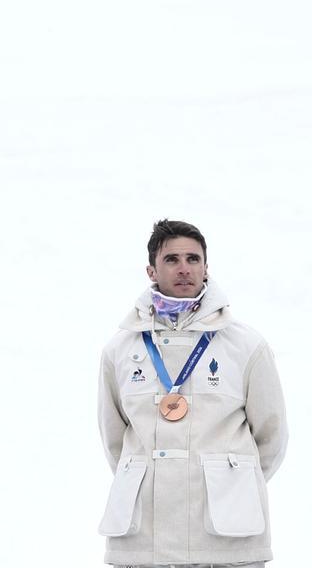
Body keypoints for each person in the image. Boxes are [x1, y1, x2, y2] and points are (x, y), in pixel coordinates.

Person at [98, 220, 287, 568]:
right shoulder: (120, 350)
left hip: (226, 540)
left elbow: (271, 438)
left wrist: (231, 482)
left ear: (206, 267)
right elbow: (115, 441)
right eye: (171, 260)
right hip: (144, 542)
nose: (184, 268)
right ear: (151, 270)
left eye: (193, 258)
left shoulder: (246, 345)